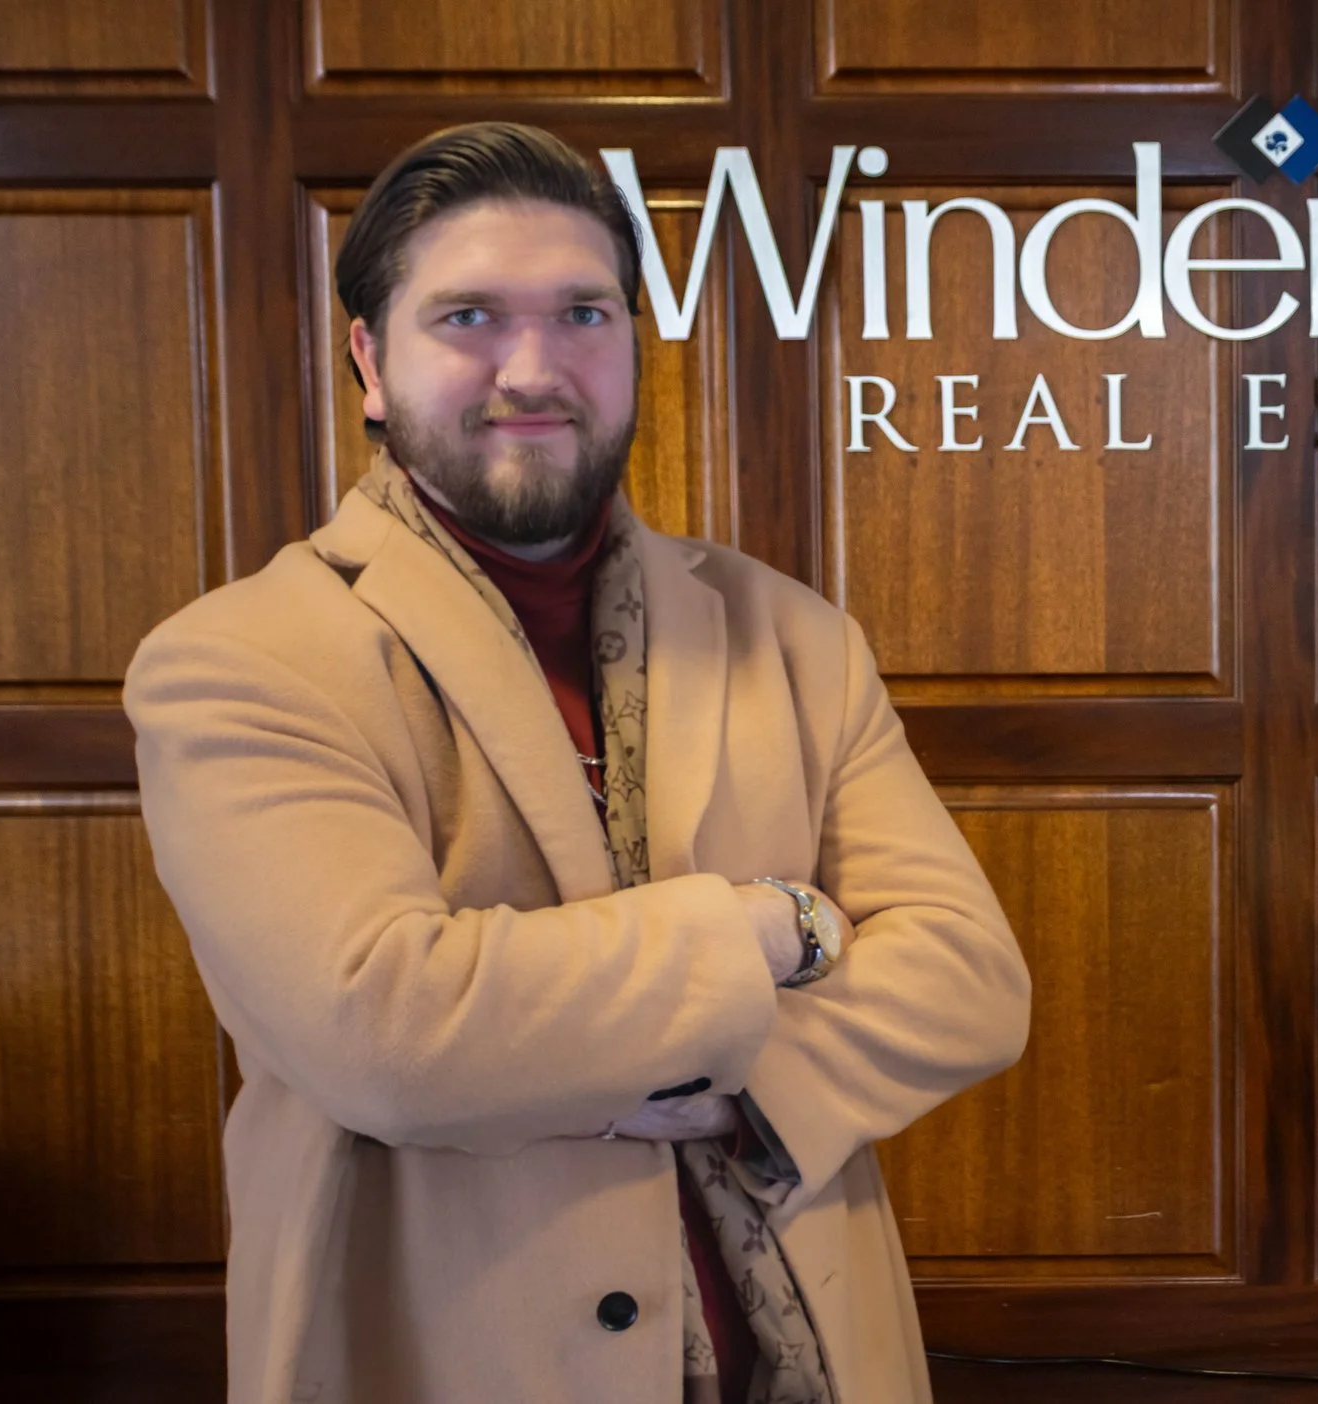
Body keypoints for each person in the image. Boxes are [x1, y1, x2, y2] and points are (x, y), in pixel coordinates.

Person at [124, 122, 1030, 1404]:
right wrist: (765, 927)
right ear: (370, 361)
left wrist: (731, 1091)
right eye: (470, 316)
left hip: (811, 1357)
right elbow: (389, 1030)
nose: (533, 367)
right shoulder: (240, 659)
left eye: (584, 314)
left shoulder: (792, 635)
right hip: (445, 1357)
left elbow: (970, 979)